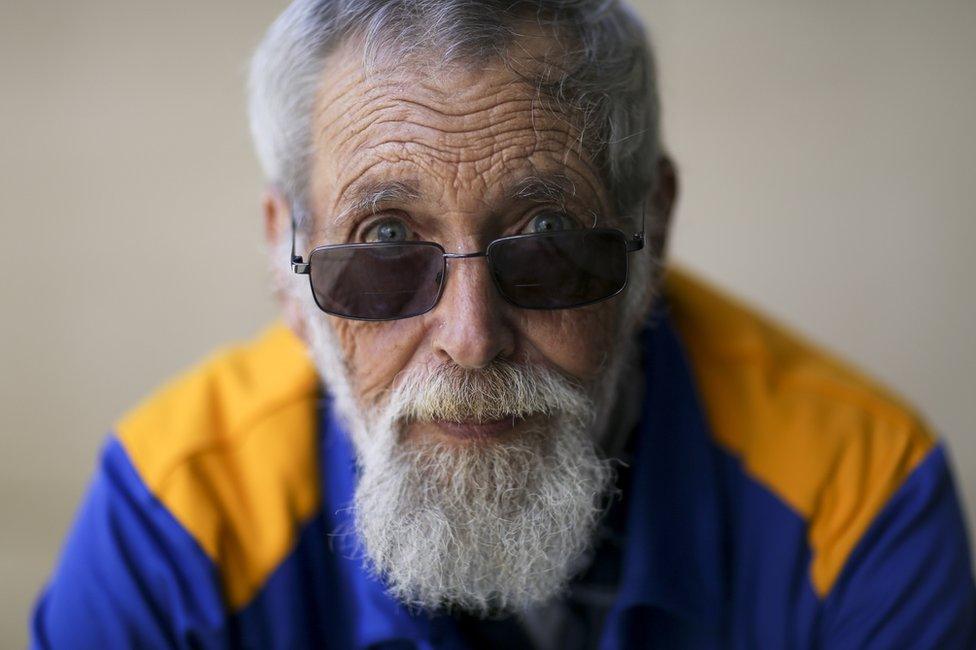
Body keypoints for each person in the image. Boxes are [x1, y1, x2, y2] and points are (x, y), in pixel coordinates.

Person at [31, 1, 975, 648]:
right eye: (387, 240)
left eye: (548, 237)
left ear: (653, 230)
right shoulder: (180, 516)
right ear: (287, 257)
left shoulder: (855, 497)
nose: (471, 338)